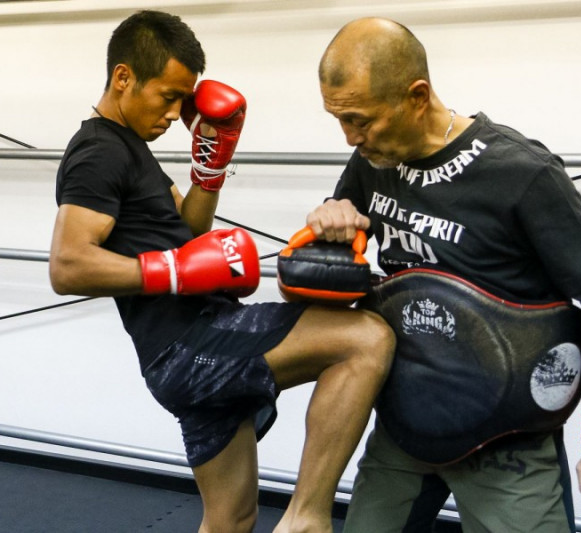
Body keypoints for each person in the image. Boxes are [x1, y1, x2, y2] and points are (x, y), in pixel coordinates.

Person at [48, 10, 395, 533]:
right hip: (190, 346)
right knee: (366, 339)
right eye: (168, 96)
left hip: (183, 351)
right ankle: (306, 517)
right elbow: (68, 264)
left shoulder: (131, 150)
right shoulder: (98, 152)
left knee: (231, 519)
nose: (175, 114)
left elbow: (188, 234)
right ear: (123, 77)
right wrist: (174, 271)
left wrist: (209, 171)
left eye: (183, 101)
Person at [307, 17, 581, 533]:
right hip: (405, 426)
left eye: (361, 120)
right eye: (339, 119)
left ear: (417, 96)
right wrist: (328, 227)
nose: (351, 137)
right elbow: (338, 273)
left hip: (507, 441)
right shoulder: (372, 161)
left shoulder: (522, 173)